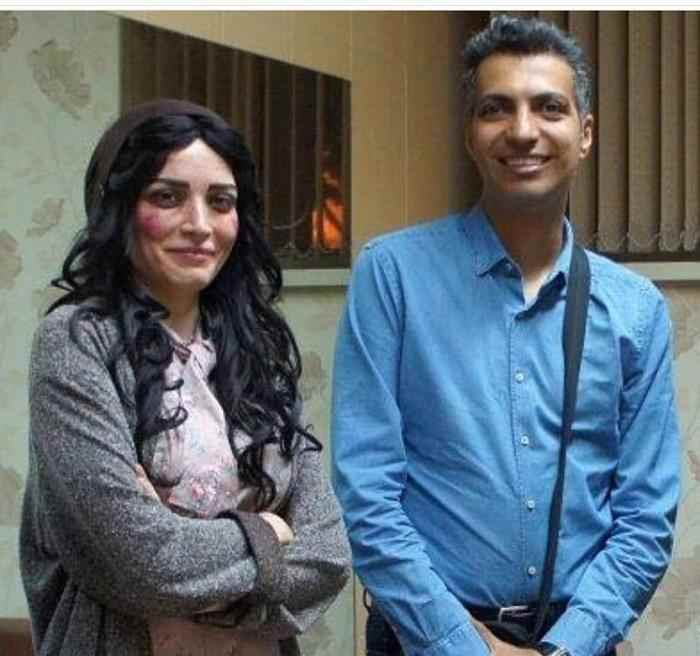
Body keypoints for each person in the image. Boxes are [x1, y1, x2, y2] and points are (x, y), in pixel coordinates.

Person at [331, 15, 679, 656]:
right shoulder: (394, 276)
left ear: (586, 134)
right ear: (470, 133)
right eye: (496, 108)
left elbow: (646, 517)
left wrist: (565, 647)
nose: (522, 130)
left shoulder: (635, 309)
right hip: (426, 638)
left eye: (549, 107)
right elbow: (368, 494)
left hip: (576, 640)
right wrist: (462, 646)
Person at [20, 98, 351, 656]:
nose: (200, 225)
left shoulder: (257, 348)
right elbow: (140, 559)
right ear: (119, 209)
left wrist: (187, 548)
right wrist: (270, 533)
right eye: (167, 197)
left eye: (221, 202)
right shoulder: (76, 342)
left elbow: (330, 556)